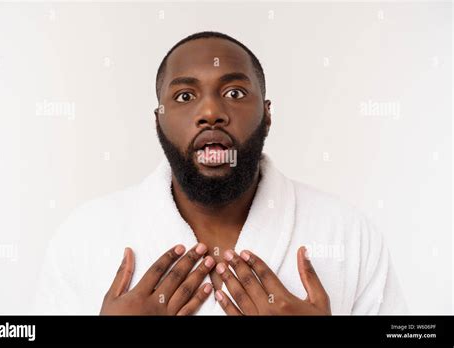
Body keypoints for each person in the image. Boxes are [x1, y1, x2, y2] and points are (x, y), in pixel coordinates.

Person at [34, 31, 408, 315]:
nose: (211, 111)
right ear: (158, 120)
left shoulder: (348, 235)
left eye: (234, 93)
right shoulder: (83, 237)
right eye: (184, 96)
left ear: (267, 113)